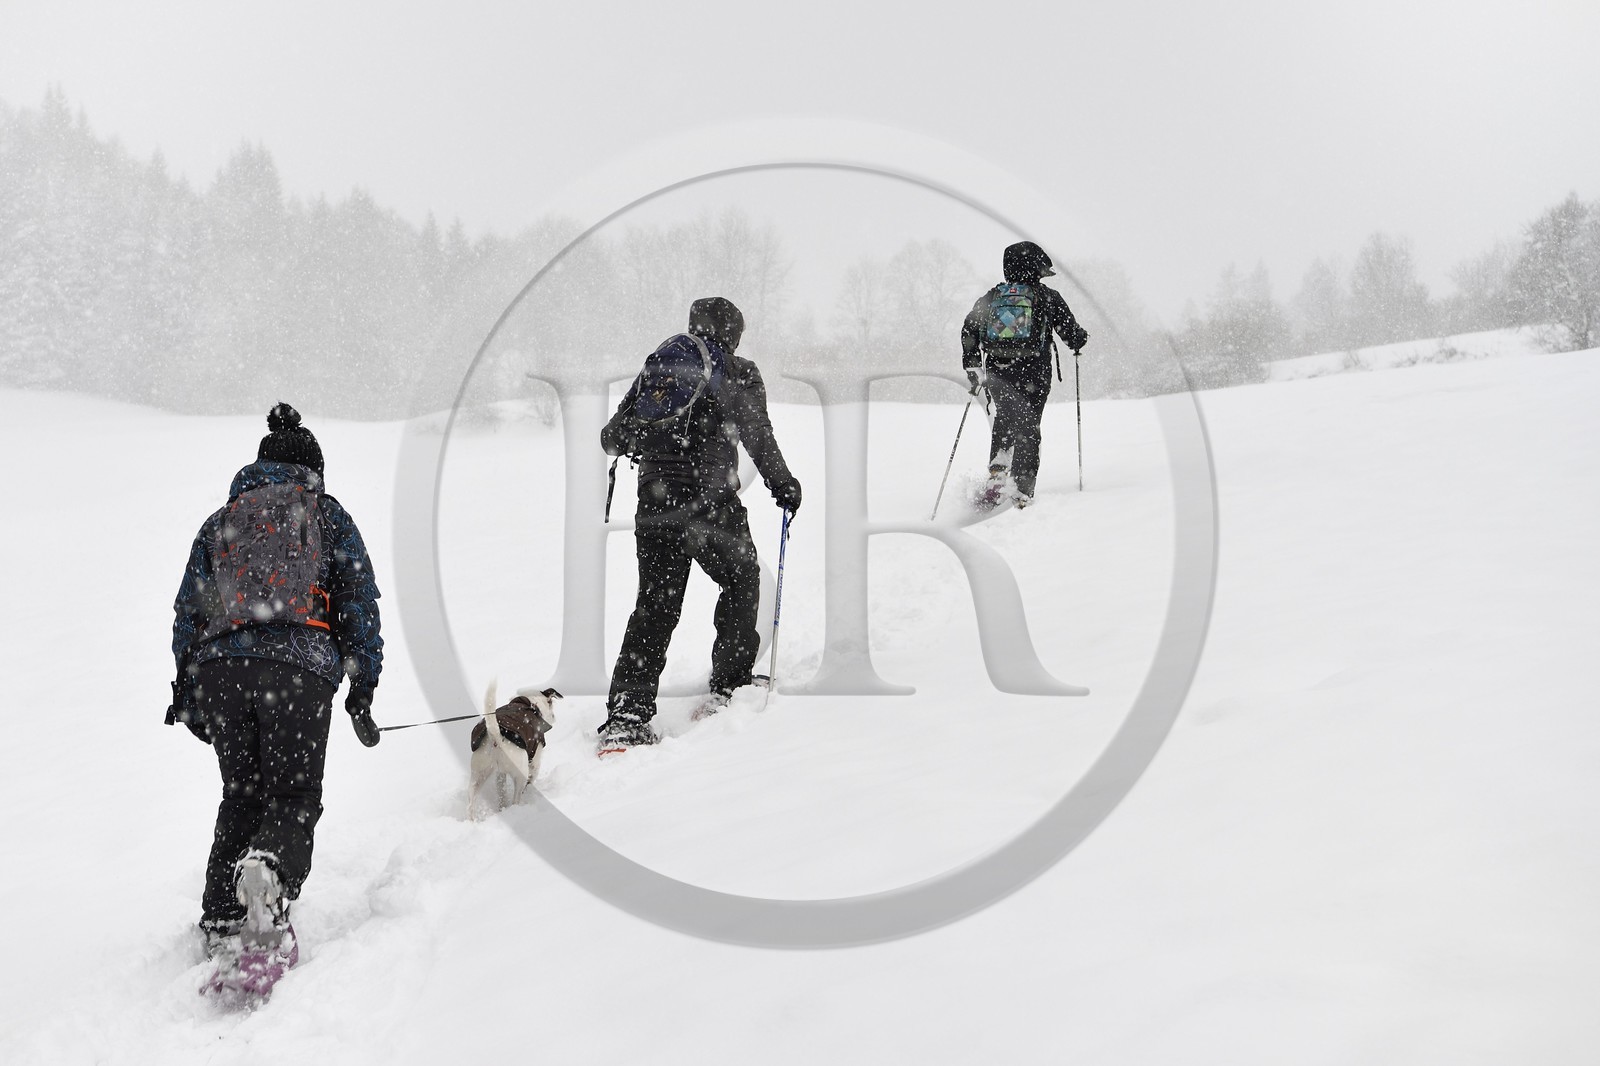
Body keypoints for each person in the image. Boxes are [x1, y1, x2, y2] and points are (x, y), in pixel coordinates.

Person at [169, 403, 384, 964]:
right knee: (292, 794)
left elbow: (191, 611)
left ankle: (221, 917)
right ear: (312, 471)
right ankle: (269, 870)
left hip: (221, 670)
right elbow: (358, 604)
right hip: (299, 666)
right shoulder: (327, 514)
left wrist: (189, 689)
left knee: (240, 793)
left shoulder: (220, 522)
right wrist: (362, 684)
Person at [597, 297, 802, 754]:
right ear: (732, 332)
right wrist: (783, 484)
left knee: (654, 606)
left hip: (654, 507)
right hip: (711, 506)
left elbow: (612, 437)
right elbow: (758, 433)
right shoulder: (739, 370)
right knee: (743, 580)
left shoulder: (660, 366)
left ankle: (627, 716)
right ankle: (729, 688)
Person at [960, 240, 1090, 507]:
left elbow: (969, 328)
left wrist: (973, 364)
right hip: (1035, 373)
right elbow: (1072, 335)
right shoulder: (1047, 297)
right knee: (1028, 426)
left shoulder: (992, 297)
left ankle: (997, 472)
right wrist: (1079, 339)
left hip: (998, 371)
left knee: (1005, 417)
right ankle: (1020, 489)